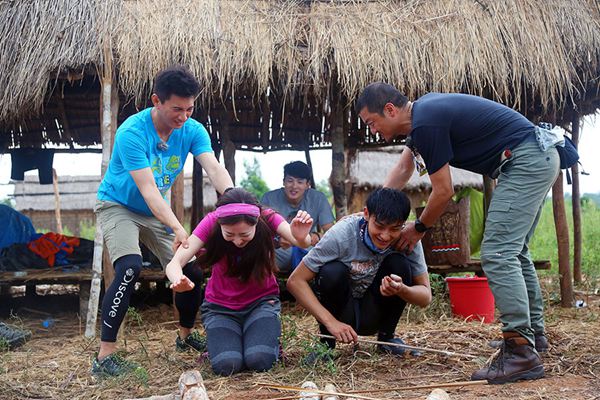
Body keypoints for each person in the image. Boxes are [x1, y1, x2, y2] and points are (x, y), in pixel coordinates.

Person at [355, 83, 560, 384]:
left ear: (390, 110)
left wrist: (419, 229)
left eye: (372, 122)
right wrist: (375, 210)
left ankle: (521, 353)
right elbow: (403, 168)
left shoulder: (426, 122)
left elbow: (443, 192)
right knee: (514, 252)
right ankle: (533, 337)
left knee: (498, 253)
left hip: (525, 160)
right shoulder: (422, 119)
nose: (373, 131)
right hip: (535, 157)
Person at [92, 66, 234, 378]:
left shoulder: (193, 129)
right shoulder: (131, 132)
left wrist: (236, 199)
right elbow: (149, 191)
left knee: (191, 268)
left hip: (155, 211)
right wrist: (178, 227)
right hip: (118, 204)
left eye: (189, 108)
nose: (183, 116)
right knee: (129, 267)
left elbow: (213, 167)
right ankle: (105, 357)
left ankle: (184, 338)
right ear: (156, 101)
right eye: (176, 109)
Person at [166, 188, 313, 376]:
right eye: (229, 234)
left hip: (261, 303)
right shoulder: (211, 221)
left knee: (260, 360)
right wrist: (178, 279)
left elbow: (302, 242)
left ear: (256, 222)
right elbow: (174, 264)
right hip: (220, 307)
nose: (237, 241)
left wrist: (301, 236)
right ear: (220, 224)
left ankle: (264, 339)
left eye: (244, 235)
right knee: (228, 366)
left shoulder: (267, 217)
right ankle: (222, 343)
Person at [286, 188, 431, 363]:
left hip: (375, 311)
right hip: (342, 311)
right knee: (331, 271)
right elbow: (295, 281)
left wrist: (402, 289)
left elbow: (425, 297)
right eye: (379, 226)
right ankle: (326, 345)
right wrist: (331, 322)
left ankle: (387, 338)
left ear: (403, 224)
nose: (385, 236)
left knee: (398, 263)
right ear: (366, 214)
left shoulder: (408, 238)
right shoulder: (341, 235)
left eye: (394, 229)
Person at [261, 161, 335, 273]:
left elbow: (331, 233)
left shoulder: (318, 198)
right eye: (290, 181)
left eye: (300, 182)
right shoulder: (269, 198)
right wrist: (276, 241)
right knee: (259, 258)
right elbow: (260, 233)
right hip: (279, 251)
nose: (294, 186)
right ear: (283, 182)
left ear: (307, 184)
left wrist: (315, 237)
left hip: (308, 249)